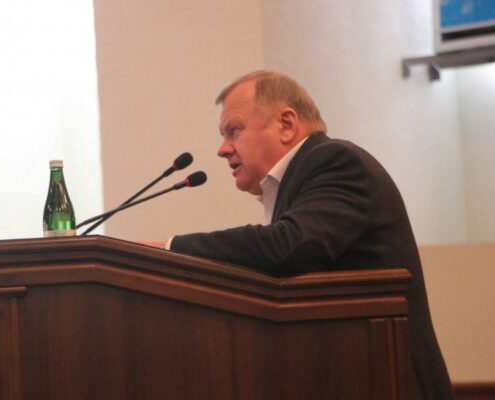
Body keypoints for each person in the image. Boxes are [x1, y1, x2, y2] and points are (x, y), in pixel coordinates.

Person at [144, 70, 453, 399]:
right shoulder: (300, 180)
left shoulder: (336, 161)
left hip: (389, 381)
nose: (222, 149)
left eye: (234, 131)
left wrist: (171, 248)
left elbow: (289, 246)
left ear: (287, 125)